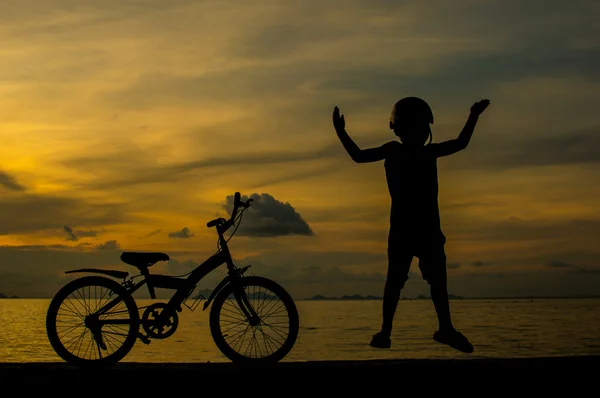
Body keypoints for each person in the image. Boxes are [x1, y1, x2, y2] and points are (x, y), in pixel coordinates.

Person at [332, 97, 490, 353]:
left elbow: (461, 143)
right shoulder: (400, 150)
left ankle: (438, 328)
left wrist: (474, 115)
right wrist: (341, 132)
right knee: (401, 280)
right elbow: (358, 156)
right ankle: (390, 331)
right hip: (408, 229)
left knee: (428, 280)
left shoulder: (422, 152)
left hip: (422, 229)